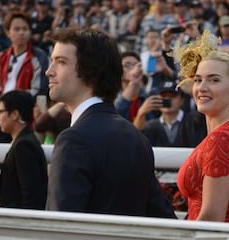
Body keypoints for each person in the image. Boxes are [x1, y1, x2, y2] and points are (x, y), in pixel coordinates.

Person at [45, 28, 176, 218]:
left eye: (61, 62)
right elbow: (161, 216)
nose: (49, 71)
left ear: (91, 72)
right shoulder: (135, 136)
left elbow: (61, 226)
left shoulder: (73, 139)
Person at [176, 30, 229, 223]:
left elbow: (211, 219)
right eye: (198, 79)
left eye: (214, 80)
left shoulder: (221, 139)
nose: (202, 87)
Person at [0, 90, 48, 210]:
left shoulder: (24, 145)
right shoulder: (24, 141)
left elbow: (31, 195)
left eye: (1, 111)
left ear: (14, 114)